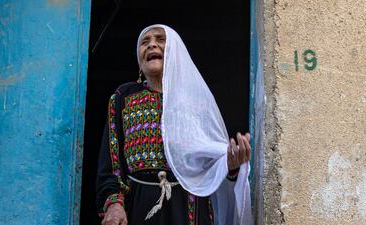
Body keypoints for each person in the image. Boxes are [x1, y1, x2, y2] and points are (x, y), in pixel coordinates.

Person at [96, 24, 252, 225]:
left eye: (160, 39)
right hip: (139, 207)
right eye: (145, 42)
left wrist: (229, 165)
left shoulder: (197, 101)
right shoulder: (123, 97)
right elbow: (111, 164)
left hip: (189, 207)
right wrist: (114, 204)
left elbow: (212, 163)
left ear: (176, 52)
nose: (152, 45)